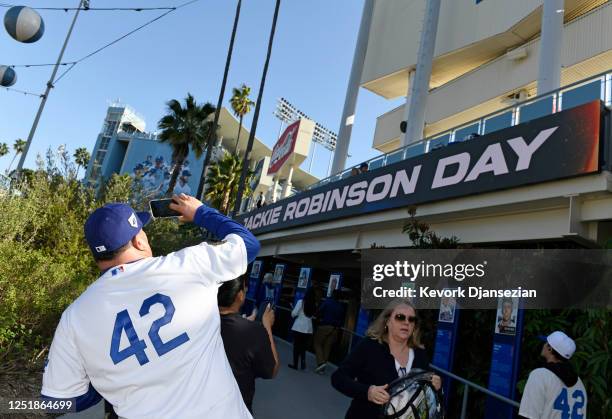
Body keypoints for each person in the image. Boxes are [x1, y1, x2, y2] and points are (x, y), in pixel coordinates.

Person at [41, 194, 260, 418]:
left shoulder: (74, 317)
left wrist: (105, 381)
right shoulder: (187, 266)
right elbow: (249, 245)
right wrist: (200, 212)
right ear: (138, 240)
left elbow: (55, 403)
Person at [331, 300, 442, 419]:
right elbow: (338, 377)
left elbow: (426, 391)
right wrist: (367, 392)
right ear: (387, 321)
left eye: (411, 319)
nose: (406, 323)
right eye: (400, 317)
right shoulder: (369, 346)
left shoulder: (419, 354)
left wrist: (436, 385)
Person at [218, 276, 280, 413]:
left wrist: (243, 320)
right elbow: (272, 370)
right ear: (240, 295)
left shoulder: (201, 322)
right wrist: (267, 326)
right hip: (236, 408)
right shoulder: (254, 332)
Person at [519, 331, 587, 419]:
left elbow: (528, 415)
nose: (543, 345)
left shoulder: (539, 375)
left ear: (550, 349)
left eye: (545, 343)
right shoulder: (579, 382)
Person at [314, 290, 346, 374]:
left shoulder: (327, 302)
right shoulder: (341, 306)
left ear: (332, 295)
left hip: (325, 326)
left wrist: (317, 318)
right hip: (335, 329)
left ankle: (320, 363)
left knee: (317, 343)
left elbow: (320, 311)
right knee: (327, 347)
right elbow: (342, 319)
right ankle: (322, 369)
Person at [289, 287, 316, 370]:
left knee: (296, 347)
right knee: (303, 347)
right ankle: (303, 363)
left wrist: (292, 310)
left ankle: (295, 365)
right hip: (308, 329)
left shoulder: (301, 302)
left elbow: (294, 314)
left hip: (299, 328)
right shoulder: (314, 304)